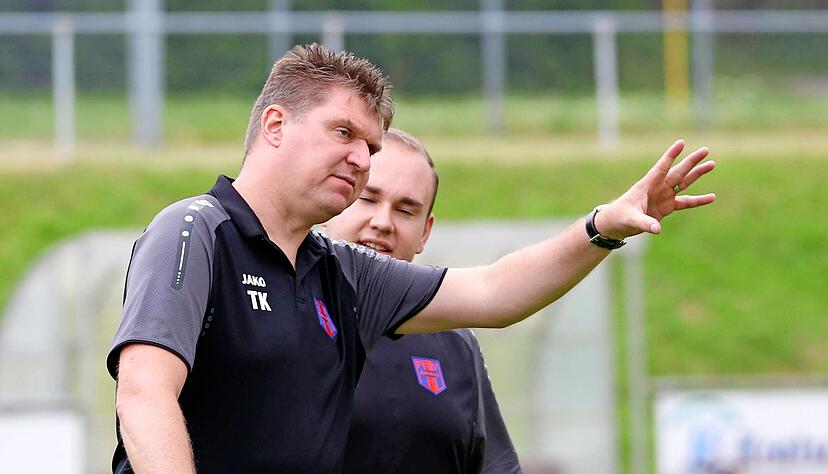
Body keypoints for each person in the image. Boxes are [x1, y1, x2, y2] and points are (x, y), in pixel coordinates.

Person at [108, 43, 716, 473]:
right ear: (274, 124)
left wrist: (601, 227)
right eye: (343, 133)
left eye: (370, 145)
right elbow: (143, 395)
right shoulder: (193, 230)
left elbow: (494, 294)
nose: (361, 157)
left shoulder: (342, 274)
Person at [324, 128, 521, 473]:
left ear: (425, 233)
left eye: (405, 210)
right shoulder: (285, 309)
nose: (383, 222)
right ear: (333, 202)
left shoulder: (454, 340)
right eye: (368, 199)